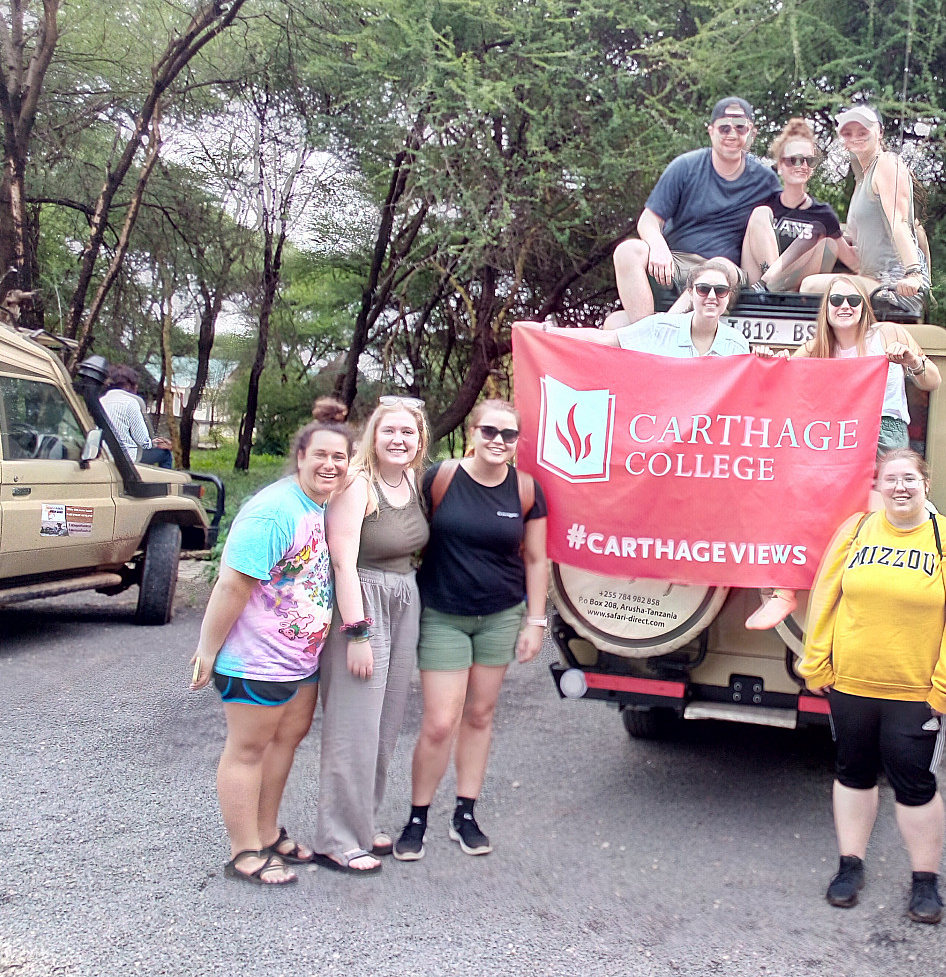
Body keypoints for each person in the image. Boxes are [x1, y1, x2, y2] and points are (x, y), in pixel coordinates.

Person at [797, 449, 946, 924]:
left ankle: (925, 881)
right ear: (877, 485)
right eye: (890, 479)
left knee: (914, 782)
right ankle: (849, 866)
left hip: (915, 692)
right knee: (852, 771)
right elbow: (826, 595)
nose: (900, 487)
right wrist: (816, 663)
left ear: (926, 483)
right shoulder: (857, 530)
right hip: (852, 683)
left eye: (909, 479)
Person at [188, 419, 352, 885]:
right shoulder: (274, 512)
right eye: (320, 454)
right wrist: (206, 650)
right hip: (256, 659)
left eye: (338, 457)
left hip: (299, 660)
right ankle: (244, 852)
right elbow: (233, 584)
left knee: (285, 741)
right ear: (300, 455)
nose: (329, 464)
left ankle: (267, 831)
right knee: (247, 750)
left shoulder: (320, 505)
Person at [394, 399, 548, 861]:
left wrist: (534, 622)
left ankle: (465, 813)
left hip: (499, 616)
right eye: (489, 432)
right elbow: (399, 524)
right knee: (441, 722)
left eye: (509, 435)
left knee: (480, 715)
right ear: (472, 432)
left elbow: (537, 559)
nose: (498, 442)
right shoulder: (439, 478)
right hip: (442, 613)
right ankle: (417, 816)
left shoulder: (524, 489)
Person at [744, 275, 941, 630]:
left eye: (853, 299)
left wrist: (912, 360)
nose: (845, 306)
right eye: (836, 301)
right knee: (803, 501)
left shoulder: (888, 334)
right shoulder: (817, 346)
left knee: (883, 515)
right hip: (837, 436)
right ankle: (784, 592)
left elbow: (933, 381)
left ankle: (879, 602)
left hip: (884, 429)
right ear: (827, 309)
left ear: (865, 306)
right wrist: (766, 359)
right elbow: (782, 377)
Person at [313, 397, 431, 874]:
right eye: (389, 432)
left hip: (405, 598)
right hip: (363, 603)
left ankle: (362, 823)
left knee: (385, 724)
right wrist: (357, 632)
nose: (398, 440)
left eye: (408, 433)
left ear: (420, 440)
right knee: (353, 723)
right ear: (373, 437)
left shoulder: (413, 483)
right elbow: (342, 560)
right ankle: (336, 838)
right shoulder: (358, 485)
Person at [607, 97, 779, 328]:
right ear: (711, 131)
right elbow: (648, 220)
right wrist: (658, 248)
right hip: (676, 263)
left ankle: (664, 329)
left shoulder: (764, 179)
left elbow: (791, 221)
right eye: (724, 127)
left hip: (725, 271)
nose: (732, 134)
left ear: (751, 133)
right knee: (627, 251)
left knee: (715, 268)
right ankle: (644, 331)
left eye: (740, 127)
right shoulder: (685, 167)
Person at [801, 105, 929, 317]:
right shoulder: (862, 179)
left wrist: (914, 274)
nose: (855, 137)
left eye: (863, 131)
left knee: (810, 286)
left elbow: (899, 222)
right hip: (872, 280)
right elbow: (862, 250)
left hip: (895, 287)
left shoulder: (888, 163)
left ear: (879, 132)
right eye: (848, 133)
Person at [737, 118, 852, 293]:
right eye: (794, 160)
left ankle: (771, 285)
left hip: (793, 288)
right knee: (759, 213)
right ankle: (768, 283)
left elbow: (848, 254)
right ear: (780, 165)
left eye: (809, 161)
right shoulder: (764, 200)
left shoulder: (821, 213)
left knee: (824, 234)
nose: (802, 166)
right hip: (756, 283)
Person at [551, 258, 750, 358]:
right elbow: (604, 339)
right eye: (704, 289)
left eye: (721, 290)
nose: (712, 296)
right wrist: (546, 332)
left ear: (728, 296)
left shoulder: (737, 344)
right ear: (690, 293)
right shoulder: (659, 327)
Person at [98, 365, 152, 462]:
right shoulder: (130, 402)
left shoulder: (101, 401)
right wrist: (154, 443)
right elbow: (142, 440)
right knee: (164, 454)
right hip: (126, 460)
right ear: (128, 385)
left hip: (104, 455)